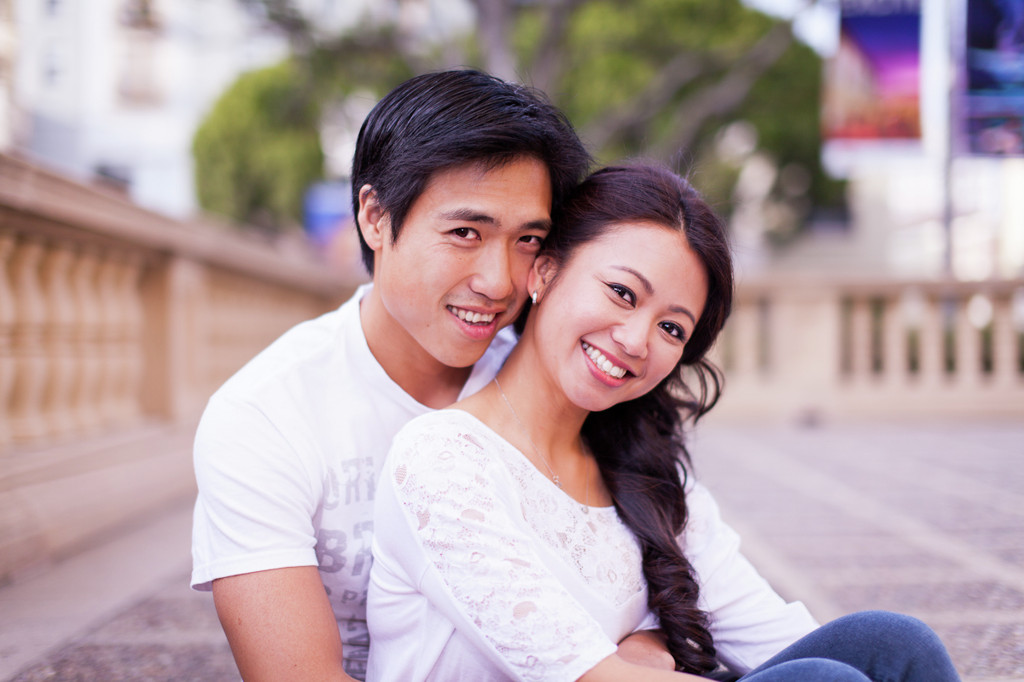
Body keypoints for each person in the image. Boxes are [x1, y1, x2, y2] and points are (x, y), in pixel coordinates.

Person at [367, 164, 962, 681]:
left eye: (671, 328)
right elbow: (589, 677)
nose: (636, 341)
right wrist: (644, 652)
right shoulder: (444, 459)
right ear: (544, 272)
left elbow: (775, 637)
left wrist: (654, 641)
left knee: (893, 644)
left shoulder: (640, 470)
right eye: (623, 293)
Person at [190, 69, 591, 681]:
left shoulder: (556, 380)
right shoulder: (263, 415)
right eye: (465, 233)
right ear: (375, 217)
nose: (499, 282)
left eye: (528, 240)